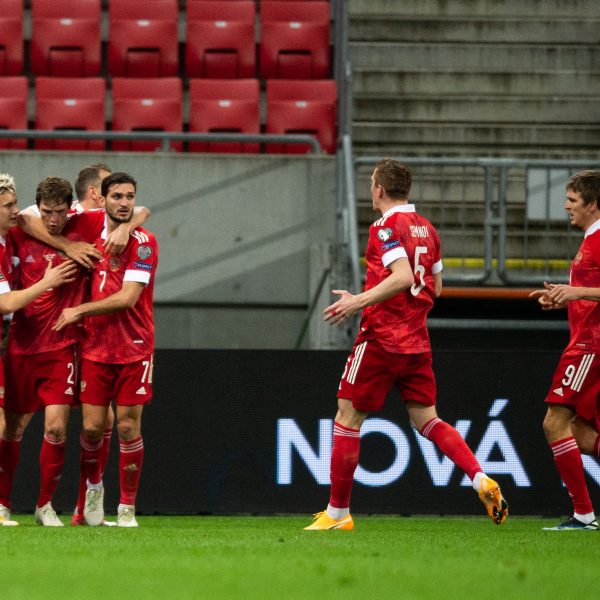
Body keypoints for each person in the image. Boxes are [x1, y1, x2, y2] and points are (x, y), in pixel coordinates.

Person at [305, 159, 509, 531]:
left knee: (347, 418)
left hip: (381, 339)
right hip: (416, 343)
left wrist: (358, 300)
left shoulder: (384, 227)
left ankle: (337, 514)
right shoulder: (428, 229)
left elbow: (401, 276)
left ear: (379, 189)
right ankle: (479, 477)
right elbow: (437, 287)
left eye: (371, 184)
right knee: (428, 420)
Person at [53, 172, 158, 528]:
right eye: (117, 196)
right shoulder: (89, 233)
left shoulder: (144, 243)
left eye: (130, 196)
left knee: (128, 427)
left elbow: (128, 298)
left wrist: (79, 310)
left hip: (134, 348)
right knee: (92, 429)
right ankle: (94, 488)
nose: (124, 203)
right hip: (96, 348)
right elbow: (37, 217)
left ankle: (127, 507)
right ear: (103, 199)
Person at [0, 176, 83, 527]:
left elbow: (132, 210)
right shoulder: (15, 234)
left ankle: (44, 505)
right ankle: (3, 504)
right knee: (10, 429)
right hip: (20, 346)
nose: (53, 218)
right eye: (46, 212)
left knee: (57, 428)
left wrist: (126, 226)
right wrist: (48, 280)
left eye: (59, 211)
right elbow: (6, 303)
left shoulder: (83, 225)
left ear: (69, 209)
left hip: (60, 347)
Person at [529, 170, 600, 531]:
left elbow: (588, 292)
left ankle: (584, 515)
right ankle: (584, 515)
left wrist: (576, 292)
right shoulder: (591, 239)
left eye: (572, 200)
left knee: (554, 422)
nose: (566, 206)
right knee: (582, 434)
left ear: (593, 204)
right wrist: (563, 299)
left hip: (590, 346)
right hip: (586, 341)